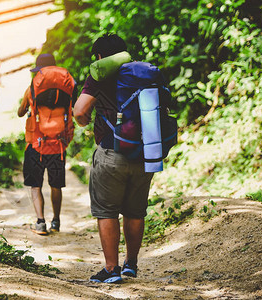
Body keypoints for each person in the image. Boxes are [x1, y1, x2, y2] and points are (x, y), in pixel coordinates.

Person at [73, 34, 155, 283]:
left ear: (99, 57)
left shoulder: (98, 75)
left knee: (107, 211)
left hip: (111, 152)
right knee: (135, 211)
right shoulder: (142, 72)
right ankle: (131, 264)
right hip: (144, 153)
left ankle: (111, 269)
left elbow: (79, 110)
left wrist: (84, 121)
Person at [18, 53, 75, 235]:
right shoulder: (65, 90)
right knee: (56, 185)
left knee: (36, 185)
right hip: (58, 145)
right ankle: (56, 222)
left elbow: (20, 112)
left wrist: (27, 106)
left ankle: (40, 222)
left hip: (36, 144)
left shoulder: (31, 90)